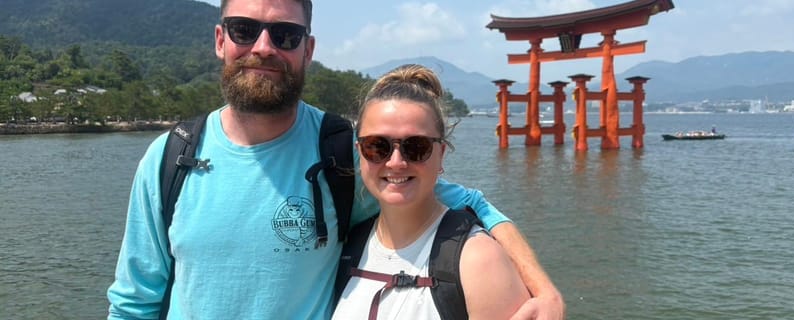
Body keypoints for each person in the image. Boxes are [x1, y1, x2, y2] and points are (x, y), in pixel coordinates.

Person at [107, 0, 563, 319]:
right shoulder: (171, 157)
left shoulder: (347, 150)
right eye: (246, 30)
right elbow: (134, 303)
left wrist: (545, 291)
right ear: (221, 39)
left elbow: (473, 206)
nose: (264, 47)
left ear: (308, 49)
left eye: (285, 34)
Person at [331, 64, 530, 320]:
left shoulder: (479, 260)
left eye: (416, 147)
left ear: (441, 154)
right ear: (359, 152)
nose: (396, 162)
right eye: (377, 146)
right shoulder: (348, 247)